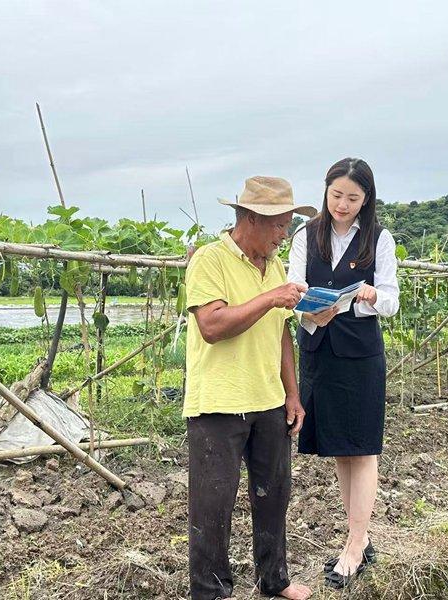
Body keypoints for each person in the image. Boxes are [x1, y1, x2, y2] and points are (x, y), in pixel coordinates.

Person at [184, 176, 317, 600]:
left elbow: (281, 335)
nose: (284, 235)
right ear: (250, 219)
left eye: (286, 225)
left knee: (274, 495)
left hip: (269, 400)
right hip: (218, 404)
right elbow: (212, 326)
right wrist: (270, 298)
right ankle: (210, 592)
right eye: (278, 225)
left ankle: (274, 580)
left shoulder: (274, 267)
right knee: (213, 507)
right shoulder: (210, 260)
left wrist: (291, 394)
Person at [287, 158, 400, 589]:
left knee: (363, 447)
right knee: (339, 447)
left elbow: (390, 301)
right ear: (326, 190)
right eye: (337, 195)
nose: (343, 205)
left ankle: (354, 547)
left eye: (353, 198)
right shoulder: (305, 235)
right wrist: (314, 309)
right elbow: (294, 288)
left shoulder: (379, 238)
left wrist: (368, 295)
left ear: (366, 199)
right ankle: (361, 536)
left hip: (360, 355)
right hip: (320, 350)